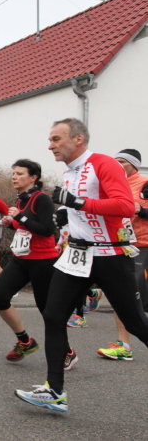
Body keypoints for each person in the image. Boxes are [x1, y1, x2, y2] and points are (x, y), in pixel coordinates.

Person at [15, 118, 148, 413]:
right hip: (78, 254)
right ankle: (55, 391)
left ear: (78, 139)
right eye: (50, 140)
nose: (50, 145)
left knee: (136, 323)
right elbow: (79, 207)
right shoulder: (70, 171)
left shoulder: (103, 163)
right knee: (53, 315)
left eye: (56, 139)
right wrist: (66, 216)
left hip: (110, 255)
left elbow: (125, 206)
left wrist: (77, 203)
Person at [0, 160, 75, 367]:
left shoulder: (41, 199)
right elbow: (26, 226)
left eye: (20, 173)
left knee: (47, 311)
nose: (14, 177)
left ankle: (67, 352)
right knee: (0, 297)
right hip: (21, 259)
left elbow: (47, 230)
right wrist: (11, 223)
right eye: (14, 173)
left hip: (43, 261)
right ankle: (25, 341)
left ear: (33, 178)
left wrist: (19, 218)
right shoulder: (21, 199)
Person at [96, 149, 148, 360]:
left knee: (133, 298)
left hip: (143, 245)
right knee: (123, 294)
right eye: (114, 162)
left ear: (134, 165)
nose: (117, 166)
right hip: (122, 244)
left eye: (121, 162)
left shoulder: (144, 184)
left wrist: (140, 210)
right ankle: (123, 345)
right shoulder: (114, 184)